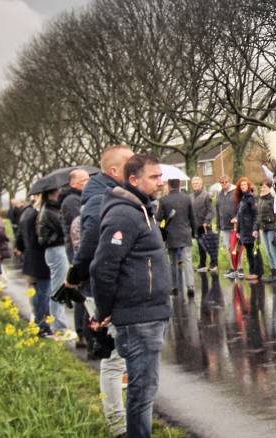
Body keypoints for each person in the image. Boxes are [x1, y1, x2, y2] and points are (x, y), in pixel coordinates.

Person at [91, 154, 173, 438]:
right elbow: (102, 267)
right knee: (142, 390)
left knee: (145, 388)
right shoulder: (123, 214)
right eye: (154, 177)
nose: (160, 182)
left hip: (150, 313)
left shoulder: (141, 209)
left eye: (160, 176)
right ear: (134, 180)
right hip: (138, 318)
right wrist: (105, 312)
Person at [68, 145, 133, 437]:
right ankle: (116, 424)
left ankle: (126, 416)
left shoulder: (112, 193)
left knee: (123, 356)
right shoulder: (99, 198)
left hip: (119, 284)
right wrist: (77, 274)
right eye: (131, 164)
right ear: (114, 171)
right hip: (106, 287)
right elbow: (91, 240)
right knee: (113, 358)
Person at [36, 188, 75, 342]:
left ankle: (58, 326)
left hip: (54, 250)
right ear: (53, 194)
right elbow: (63, 227)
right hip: (57, 249)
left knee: (57, 287)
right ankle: (59, 328)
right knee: (58, 288)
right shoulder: (51, 211)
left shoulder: (47, 209)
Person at [12, 197, 52, 337]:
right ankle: (42, 323)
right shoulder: (37, 216)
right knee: (44, 292)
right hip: (40, 258)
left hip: (30, 258)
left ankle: (37, 320)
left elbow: (20, 236)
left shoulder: (25, 213)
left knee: (35, 291)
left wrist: (20, 248)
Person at [62, 168, 89, 345]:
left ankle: (84, 330)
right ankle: (82, 332)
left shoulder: (77, 198)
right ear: (74, 183)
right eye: (84, 180)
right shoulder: (72, 201)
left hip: (77, 250)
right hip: (77, 251)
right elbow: (78, 228)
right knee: (82, 294)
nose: (88, 182)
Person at [157, 179, 196, 297]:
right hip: (185, 234)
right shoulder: (187, 198)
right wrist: (194, 233)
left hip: (171, 235)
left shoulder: (163, 200)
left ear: (168, 186)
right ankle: (190, 286)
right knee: (187, 260)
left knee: (172, 262)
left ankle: (174, 286)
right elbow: (192, 217)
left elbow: (159, 218)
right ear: (179, 185)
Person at [231, 176, 262, 281]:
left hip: (251, 230)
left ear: (248, 186)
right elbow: (239, 216)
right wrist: (238, 231)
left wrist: (255, 229)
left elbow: (256, 214)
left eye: (245, 184)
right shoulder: (242, 199)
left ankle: (257, 273)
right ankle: (252, 272)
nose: (243, 186)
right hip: (244, 231)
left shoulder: (251, 198)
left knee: (255, 251)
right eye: (241, 185)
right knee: (249, 252)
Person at [256, 181, 276, 283]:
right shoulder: (260, 200)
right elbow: (258, 216)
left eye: (265, 187)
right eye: (261, 187)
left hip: (272, 228)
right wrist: (256, 228)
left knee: (273, 251)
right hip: (264, 229)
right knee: (268, 251)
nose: (263, 188)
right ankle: (273, 273)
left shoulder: (273, 199)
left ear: (269, 188)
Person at [190, 177, 218, 272]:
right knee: (200, 246)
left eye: (197, 183)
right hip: (196, 225)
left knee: (209, 245)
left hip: (205, 225)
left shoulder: (206, 195)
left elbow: (211, 211)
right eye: (194, 183)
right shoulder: (190, 197)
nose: (195, 184)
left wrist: (206, 221)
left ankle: (214, 263)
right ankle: (202, 263)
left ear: (201, 184)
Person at [215, 175, 237, 265]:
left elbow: (241, 207)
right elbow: (217, 211)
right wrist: (218, 226)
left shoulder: (235, 192)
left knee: (236, 248)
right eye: (222, 182)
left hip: (234, 226)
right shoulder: (219, 194)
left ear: (229, 182)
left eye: (226, 182)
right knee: (228, 248)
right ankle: (232, 268)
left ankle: (239, 268)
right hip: (224, 226)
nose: (224, 184)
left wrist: (237, 218)